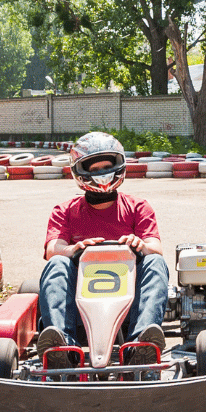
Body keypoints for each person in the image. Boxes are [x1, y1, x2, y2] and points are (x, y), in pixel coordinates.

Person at [36, 132, 169, 366]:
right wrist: (74, 249)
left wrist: (140, 246)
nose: (101, 174)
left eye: (106, 167)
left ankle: (141, 345)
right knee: (57, 263)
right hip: (80, 306)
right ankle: (62, 348)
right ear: (80, 172)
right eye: (94, 169)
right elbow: (52, 249)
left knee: (155, 261)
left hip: (130, 306)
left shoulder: (138, 206)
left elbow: (155, 247)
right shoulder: (65, 210)